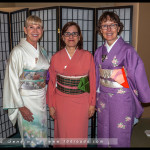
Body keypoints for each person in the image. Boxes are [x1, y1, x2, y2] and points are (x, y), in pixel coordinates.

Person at [94, 11, 150, 148]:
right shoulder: (98, 51)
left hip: (122, 98)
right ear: (100, 30)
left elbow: (137, 73)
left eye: (112, 25)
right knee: (103, 130)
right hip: (103, 97)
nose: (108, 29)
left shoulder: (128, 50)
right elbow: (96, 75)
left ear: (118, 28)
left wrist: (143, 95)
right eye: (104, 26)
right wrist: (94, 96)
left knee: (119, 131)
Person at [46, 21, 96, 147]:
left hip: (81, 102)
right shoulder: (56, 57)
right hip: (61, 102)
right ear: (63, 37)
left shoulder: (87, 56)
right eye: (67, 33)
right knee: (63, 133)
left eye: (74, 33)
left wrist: (91, 104)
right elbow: (52, 83)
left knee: (78, 134)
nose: (71, 36)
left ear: (79, 37)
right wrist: (51, 105)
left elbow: (92, 82)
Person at [3, 15, 50, 148]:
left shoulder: (42, 51)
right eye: (31, 27)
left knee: (41, 132)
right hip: (26, 99)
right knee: (31, 134)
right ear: (25, 29)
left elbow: (46, 76)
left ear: (42, 30)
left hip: (40, 97)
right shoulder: (17, 51)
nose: (35, 30)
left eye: (38, 27)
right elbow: (11, 80)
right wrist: (20, 106)